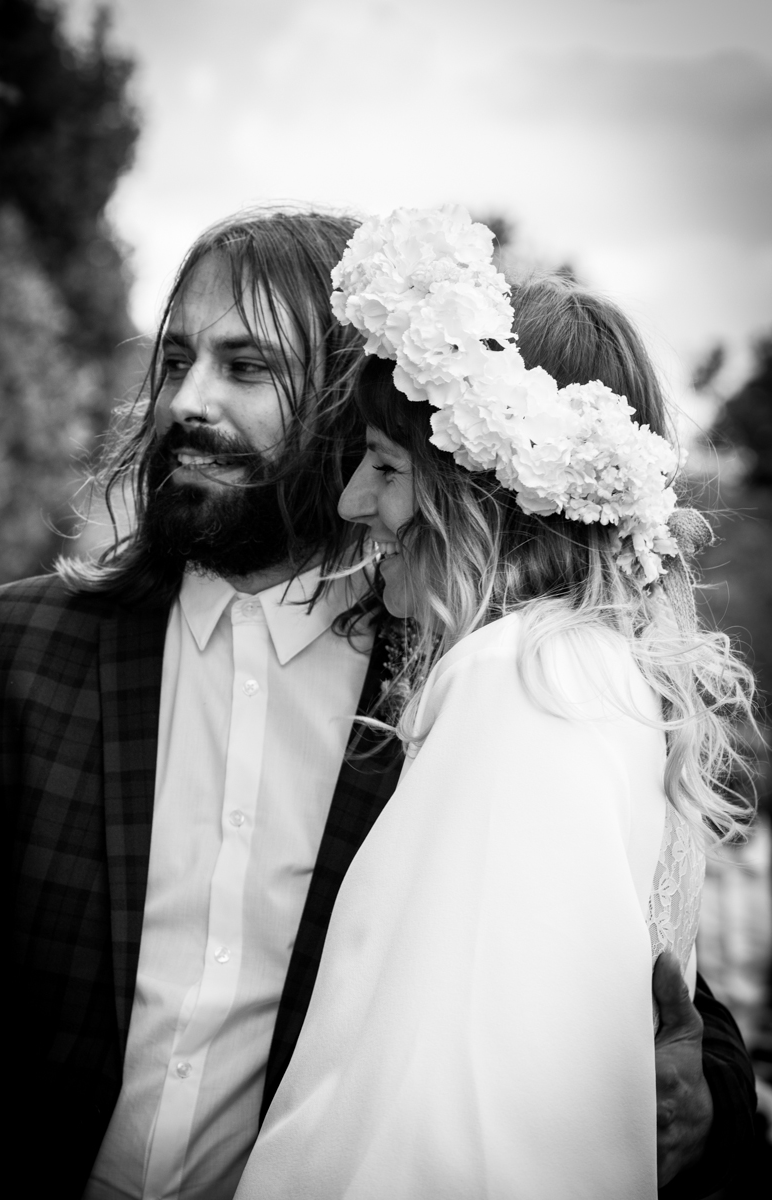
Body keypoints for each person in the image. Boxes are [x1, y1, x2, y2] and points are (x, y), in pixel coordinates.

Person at [0, 206, 755, 1200]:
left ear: (348, 409)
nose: (187, 401)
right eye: (175, 361)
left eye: (246, 367)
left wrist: (715, 1094)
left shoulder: (450, 675)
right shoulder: (14, 652)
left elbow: (611, 952)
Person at [235, 207, 760, 1199]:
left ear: (484, 493)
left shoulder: (525, 682)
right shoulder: (588, 676)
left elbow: (450, 1121)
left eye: (387, 466)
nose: (353, 503)